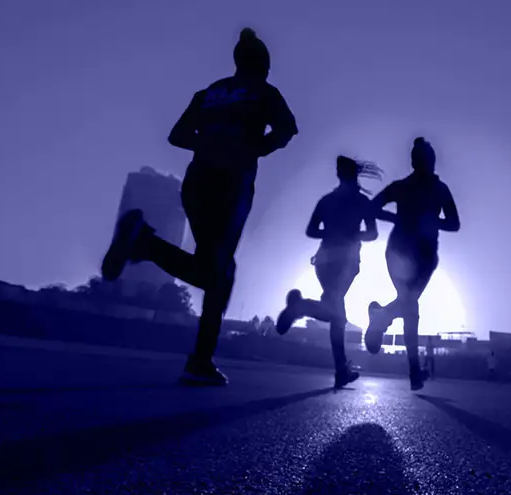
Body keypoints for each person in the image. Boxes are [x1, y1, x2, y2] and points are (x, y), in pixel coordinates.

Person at [100, 28, 298, 386]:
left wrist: (209, 144)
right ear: (264, 65)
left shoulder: (209, 93)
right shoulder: (264, 92)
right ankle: (146, 247)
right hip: (232, 185)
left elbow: (177, 135)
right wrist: (253, 148)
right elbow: (288, 130)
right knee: (217, 273)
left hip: (196, 183)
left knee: (218, 269)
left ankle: (200, 358)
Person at [275, 156, 382, 389]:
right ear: (354, 176)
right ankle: (301, 308)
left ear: (339, 175)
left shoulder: (327, 201)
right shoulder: (362, 202)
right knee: (337, 315)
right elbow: (373, 234)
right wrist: (353, 235)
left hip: (323, 261)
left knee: (337, 315)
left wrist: (331, 233)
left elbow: (311, 230)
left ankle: (341, 369)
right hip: (345, 262)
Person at [364, 137, 460, 391]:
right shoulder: (402, 187)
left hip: (426, 259)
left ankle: (381, 318)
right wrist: (398, 218)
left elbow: (454, 223)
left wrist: (431, 222)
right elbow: (371, 208)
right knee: (411, 308)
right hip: (400, 254)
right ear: (416, 162)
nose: (429, 164)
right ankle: (414, 371)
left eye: (431, 160)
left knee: (408, 305)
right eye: (425, 160)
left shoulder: (440, 190)